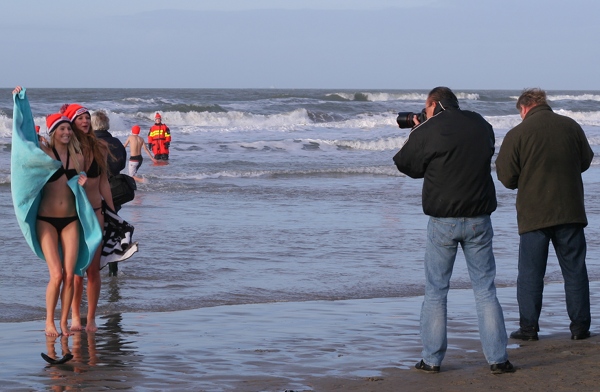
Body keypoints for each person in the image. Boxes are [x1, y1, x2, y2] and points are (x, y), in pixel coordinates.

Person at [393, 87, 514, 374]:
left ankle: (432, 360)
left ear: (433, 104)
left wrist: (420, 129)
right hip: (478, 218)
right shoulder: (481, 124)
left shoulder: (429, 129)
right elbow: (486, 152)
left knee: (436, 291)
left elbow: (405, 164)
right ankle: (498, 359)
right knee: (485, 290)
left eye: (426, 107)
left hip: (443, 220)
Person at [496, 88, 593, 341]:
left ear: (524, 108)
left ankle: (529, 328)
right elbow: (585, 161)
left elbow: (506, 177)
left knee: (531, 273)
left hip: (534, 213)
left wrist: (525, 179)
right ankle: (580, 328)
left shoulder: (518, 133)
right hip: (570, 210)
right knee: (574, 270)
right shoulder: (571, 126)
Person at [11, 86, 101, 337]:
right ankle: (49, 321)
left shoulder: (78, 156)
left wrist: (81, 182)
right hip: (46, 221)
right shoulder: (44, 153)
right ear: (53, 132)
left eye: (68, 128)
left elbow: (83, 180)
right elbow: (23, 136)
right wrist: (20, 101)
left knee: (71, 275)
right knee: (57, 274)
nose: (66, 131)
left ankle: (64, 322)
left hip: (72, 221)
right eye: (61, 128)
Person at [61, 103, 115, 332]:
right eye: (79, 118)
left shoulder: (100, 147)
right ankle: (75, 317)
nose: (84, 121)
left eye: (86, 118)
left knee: (93, 271)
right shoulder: (67, 150)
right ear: (71, 122)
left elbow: (103, 182)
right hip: (74, 217)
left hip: (96, 213)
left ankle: (91, 318)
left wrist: (113, 212)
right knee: (75, 272)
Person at [91, 110, 126, 178]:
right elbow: (122, 164)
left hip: (94, 183)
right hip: (114, 182)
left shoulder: (89, 142)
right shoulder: (116, 142)